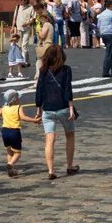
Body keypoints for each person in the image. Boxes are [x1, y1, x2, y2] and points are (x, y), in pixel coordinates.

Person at [34, 43, 78, 180]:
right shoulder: (66, 70)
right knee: (70, 136)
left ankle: (51, 170)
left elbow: (39, 90)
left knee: (49, 140)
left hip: (48, 108)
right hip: (63, 107)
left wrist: (38, 109)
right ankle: (69, 166)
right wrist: (71, 107)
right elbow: (67, 89)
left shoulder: (43, 71)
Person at [97, 0, 112, 77]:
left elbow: (98, 26)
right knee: (109, 53)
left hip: (103, 34)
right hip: (111, 34)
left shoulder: (101, 14)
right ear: (111, 6)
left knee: (111, 52)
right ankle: (105, 72)